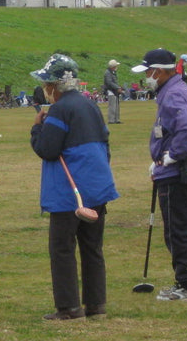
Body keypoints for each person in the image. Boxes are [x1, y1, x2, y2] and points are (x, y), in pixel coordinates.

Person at [29, 54, 119, 320]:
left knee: (62, 248)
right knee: (92, 247)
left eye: (48, 84)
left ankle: (68, 307)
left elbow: (48, 149)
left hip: (70, 193)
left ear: (55, 85)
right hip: (97, 186)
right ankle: (96, 304)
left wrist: (36, 130)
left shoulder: (59, 110)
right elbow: (105, 143)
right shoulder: (90, 105)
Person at [132, 48, 187, 301]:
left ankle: (186, 286)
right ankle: (185, 282)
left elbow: (186, 127)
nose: (147, 78)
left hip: (179, 171)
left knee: (177, 230)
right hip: (183, 168)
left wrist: (171, 155)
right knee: (181, 228)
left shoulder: (173, 94)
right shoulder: (174, 91)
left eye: (149, 72)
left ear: (161, 71)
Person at [103, 59, 124, 124]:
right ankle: (111, 120)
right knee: (112, 106)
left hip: (115, 91)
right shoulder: (107, 73)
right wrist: (117, 87)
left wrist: (118, 88)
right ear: (113, 66)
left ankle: (117, 119)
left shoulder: (113, 72)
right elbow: (109, 82)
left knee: (116, 106)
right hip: (111, 91)